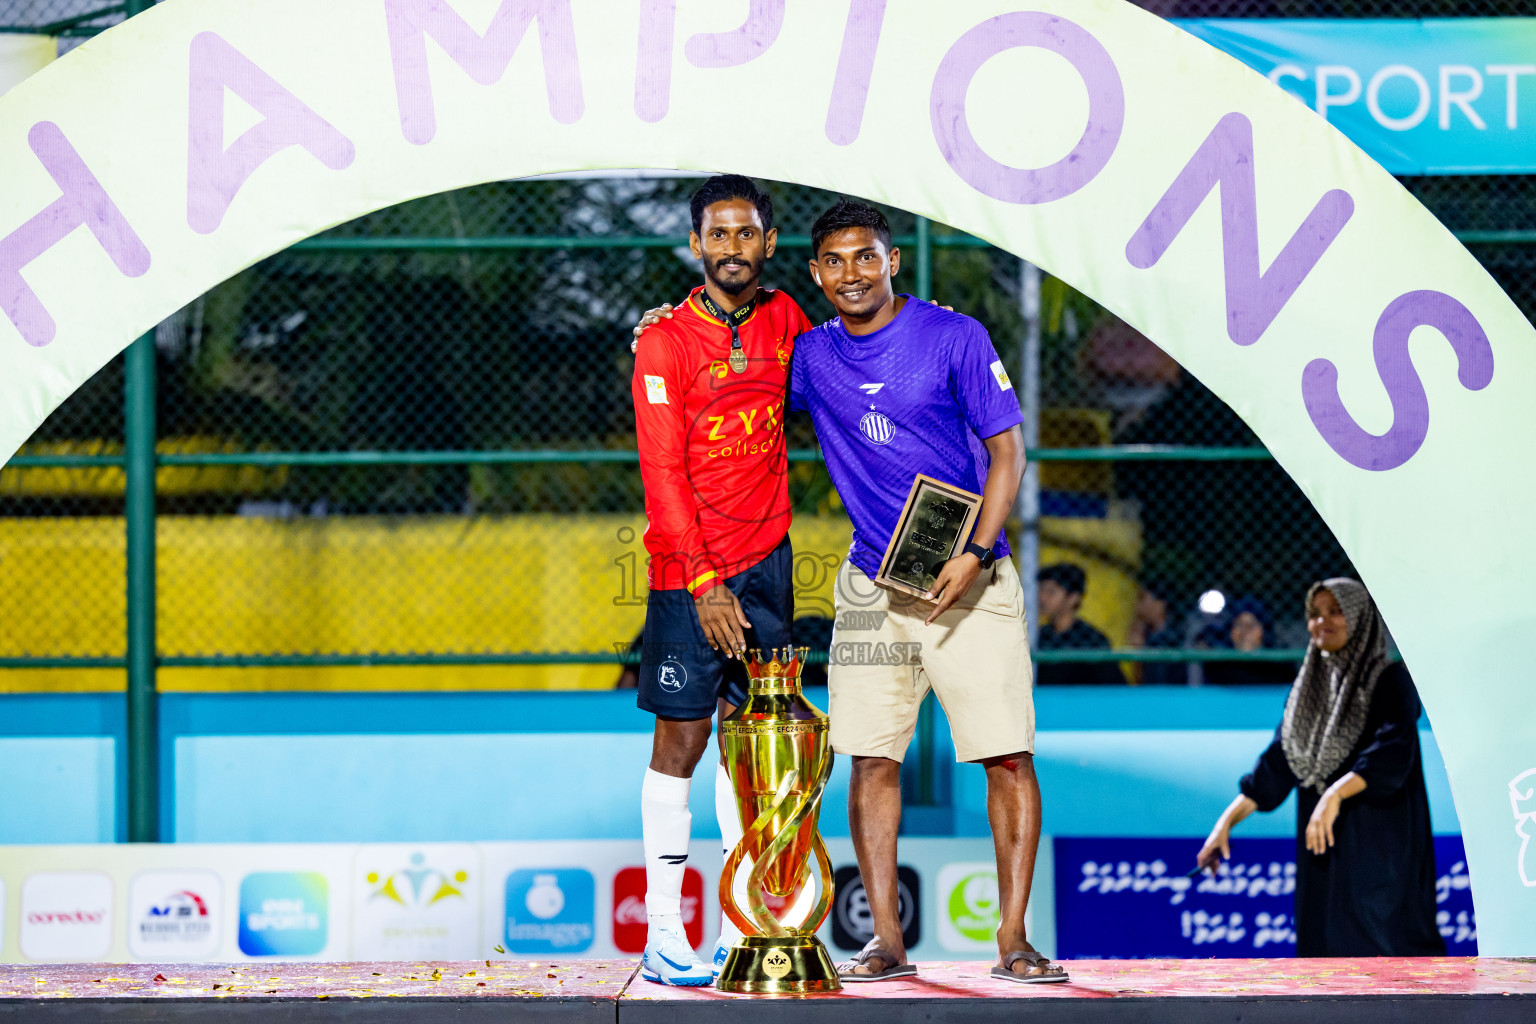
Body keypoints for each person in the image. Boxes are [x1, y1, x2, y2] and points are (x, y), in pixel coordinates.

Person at [788, 199, 1064, 983]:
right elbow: (739, 386)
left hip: (969, 583)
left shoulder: (954, 336)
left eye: (866, 257)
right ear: (816, 273)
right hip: (872, 586)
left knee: (1006, 755)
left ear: (892, 261)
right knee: (871, 760)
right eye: (835, 261)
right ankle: (886, 941)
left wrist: (975, 553)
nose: (852, 273)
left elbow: (1007, 454)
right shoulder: (810, 357)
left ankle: (1012, 941)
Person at [629, 174, 812, 985]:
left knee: (759, 744)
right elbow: (661, 476)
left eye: (747, 235)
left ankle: (758, 923)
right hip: (688, 571)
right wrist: (705, 583)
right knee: (685, 737)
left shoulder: (788, 320)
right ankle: (664, 934)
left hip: (770, 560)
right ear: (696, 244)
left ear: (767, 246)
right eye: (717, 234)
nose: (731, 247)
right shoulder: (664, 341)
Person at [1196, 578, 1445, 957]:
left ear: (1361, 617)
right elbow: (1276, 767)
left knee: (1387, 957)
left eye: (1335, 611)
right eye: (1314, 614)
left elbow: (1391, 753)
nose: (1321, 622)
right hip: (1324, 855)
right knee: (1325, 955)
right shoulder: (1307, 690)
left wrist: (1334, 793)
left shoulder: (1391, 680)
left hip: (1380, 855)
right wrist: (1223, 826)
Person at [1034, 563, 1125, 686]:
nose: (1042, 598)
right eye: (1041, 590)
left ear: (1073, 598)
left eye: (1051, 592)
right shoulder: (1037, 636)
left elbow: (1113, 687)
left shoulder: (1091, 640)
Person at [1202, 596, 1297, 686]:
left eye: (1252, 625)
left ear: (1263, 632)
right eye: (1239, 625)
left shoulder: (1280, 669)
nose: (1245, 631)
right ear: (1231, 633)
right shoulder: (1218, 670)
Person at [1125, 577, 1183, 686]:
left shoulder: (1177, 638)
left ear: (1159, 604)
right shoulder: (1145, 635)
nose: (1137, 606)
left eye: (1142, 599)